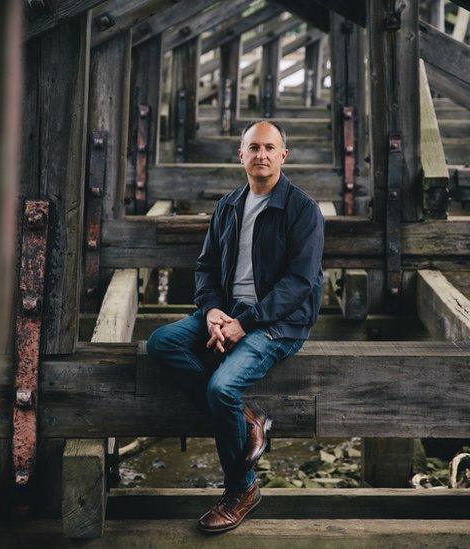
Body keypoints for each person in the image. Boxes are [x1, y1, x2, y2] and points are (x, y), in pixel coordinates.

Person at [145, 120, 325, 534]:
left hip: (278, 324)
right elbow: (206, 267)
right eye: (254, 147)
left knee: (221, 387)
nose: (261, 155)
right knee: (161, 344)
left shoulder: (302, 210)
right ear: (240, 155)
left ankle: (242, 489)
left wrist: (245, 322)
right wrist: (210, 311)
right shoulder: (229, 205)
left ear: (284, 155)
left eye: (270, 148)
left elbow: (300, 284)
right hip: (226, 312)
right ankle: (247, 419)